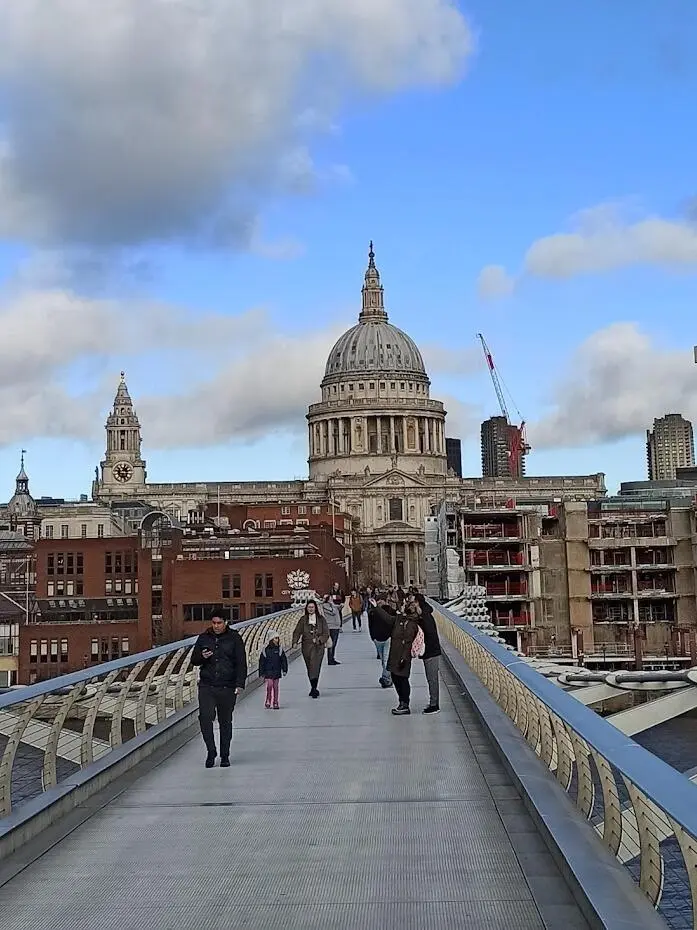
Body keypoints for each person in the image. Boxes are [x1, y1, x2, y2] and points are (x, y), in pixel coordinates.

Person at [191, 612, 247, 768]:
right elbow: (193, 660)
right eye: (214, 623)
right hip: (207, 685)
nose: (216, 626)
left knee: (225, 721)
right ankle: (211, 751)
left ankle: (225, 755)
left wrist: (239, 683)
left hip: (227, 686)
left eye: (219, 623)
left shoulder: (234, 638)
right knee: (205, 717)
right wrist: (202, 656)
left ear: (226, 622)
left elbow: (241, 661)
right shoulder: (204, 638)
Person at [386, 603, 420, 715]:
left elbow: (408, 642)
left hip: (402, 657)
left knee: (402, 679)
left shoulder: (410, 624)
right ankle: (402, 702)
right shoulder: (402, 620)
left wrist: (404, 658)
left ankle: (405, 704)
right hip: (396, 654)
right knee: (396, 677)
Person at [411, 591, 442, 714]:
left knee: (432, 678)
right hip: (430, 651)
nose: (411, 604)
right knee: (431, 678)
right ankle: (433, 702)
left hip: (431, 651)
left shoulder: (425, 617)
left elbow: (427, 634)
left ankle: (434, 705)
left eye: (413, 602)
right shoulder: (424, 615)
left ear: (418, 603)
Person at [292, 599, 330, 698]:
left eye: (312, 607)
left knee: (315, 666)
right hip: (306, 647)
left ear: (315, 608)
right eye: (309, 607)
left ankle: (314, 688)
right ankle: (313, 686)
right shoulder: (303, 620)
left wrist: (319, 640)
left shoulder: (321, 619)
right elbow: (297, 631)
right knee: (309, 666)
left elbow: (326, 633)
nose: (311, 609)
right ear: (306, 608)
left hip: (318, 648)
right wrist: (295, 642)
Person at [367, 593, 395, 688]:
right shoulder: (372, 611)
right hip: (377, 639)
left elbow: (392, 621)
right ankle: (389, 678)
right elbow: (370, 625)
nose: (379, 602)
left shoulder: (389, 610)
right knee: (383, 660)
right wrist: (372, 637)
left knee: (386, 660)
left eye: (381, 600)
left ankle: (386, 679)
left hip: (388, 638)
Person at [258, 629, 288, 709]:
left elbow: (283, 660)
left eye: (278, 638)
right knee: (269, 686)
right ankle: (268, 700)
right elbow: (262, 662)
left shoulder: (280, 649)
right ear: (271, 639)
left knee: (275, 687)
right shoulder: (265, 650)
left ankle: (275, 702)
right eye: (275, 638)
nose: (277, 640)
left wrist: (284, 670)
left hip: (277, 671)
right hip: (268, 672)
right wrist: (261, 672)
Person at [322, 594, 343, 665]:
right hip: (331, 627)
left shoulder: (331, 605)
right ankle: (330, 660)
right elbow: (333, 612)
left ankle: (332, 658)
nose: (332, 600)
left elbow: (337, 608)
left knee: (334, 644)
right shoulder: (325, 606)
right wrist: (332, 605)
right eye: (330, 599)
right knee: (331, 644)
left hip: (335, 626)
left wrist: (339, 606)